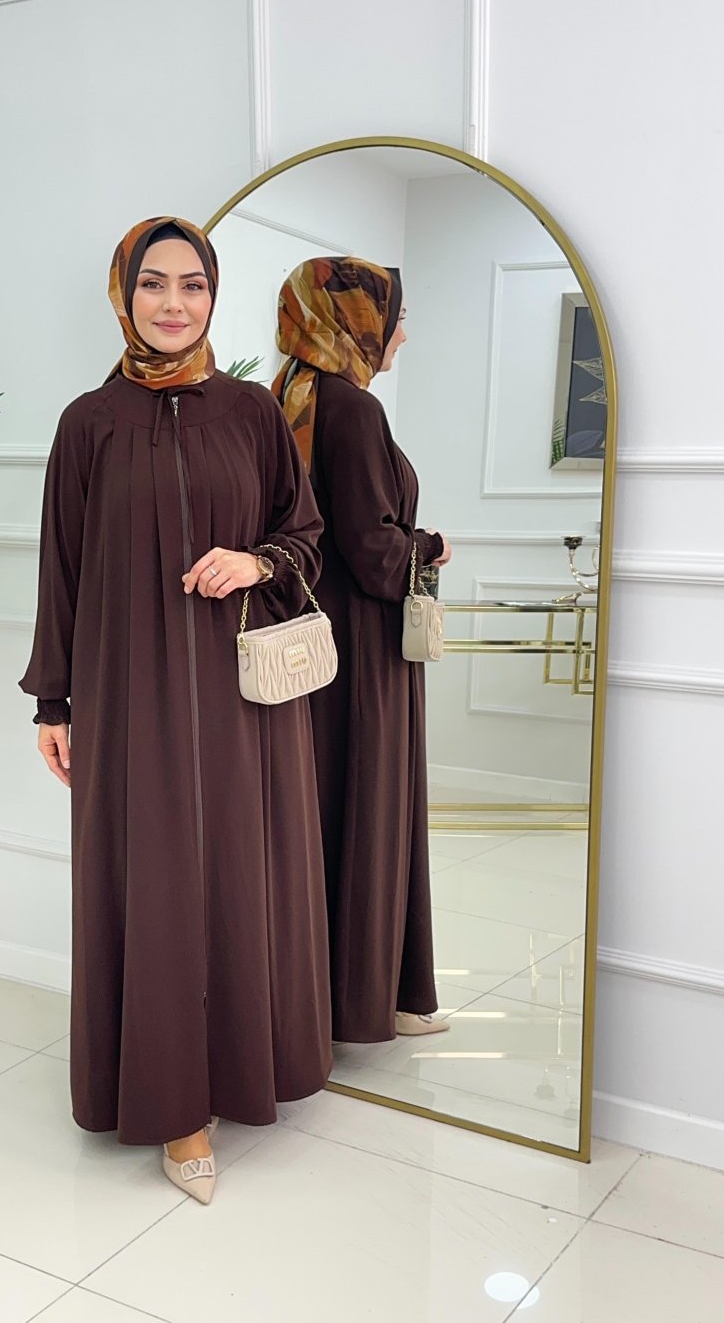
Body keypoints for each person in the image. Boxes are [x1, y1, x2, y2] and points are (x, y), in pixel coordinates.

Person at [20, 217, 332, 1204]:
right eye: (152, 284)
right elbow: (62, 568)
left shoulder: (251, 412)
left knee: (238, 877)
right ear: (124, 296)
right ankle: (174, 1106)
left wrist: (255, 561)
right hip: (130, 695)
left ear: (212, 295)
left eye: (191, 284)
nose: (172, 303)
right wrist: (54, 700)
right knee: (151, 885)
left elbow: (306, 533)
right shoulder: (89, 423)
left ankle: (246, 1070)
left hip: (241, 700)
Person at [272, 257, 451, 1045]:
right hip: (366, 658)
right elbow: (376, 556)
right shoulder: (352, 409)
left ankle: (316, 1002)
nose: (401, 335)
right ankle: (370, 1002)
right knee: (370, 818)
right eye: (395, 318)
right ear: (355, 321)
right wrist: (431, 544)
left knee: (319, 819)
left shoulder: (287, 394)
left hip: (312, 652)